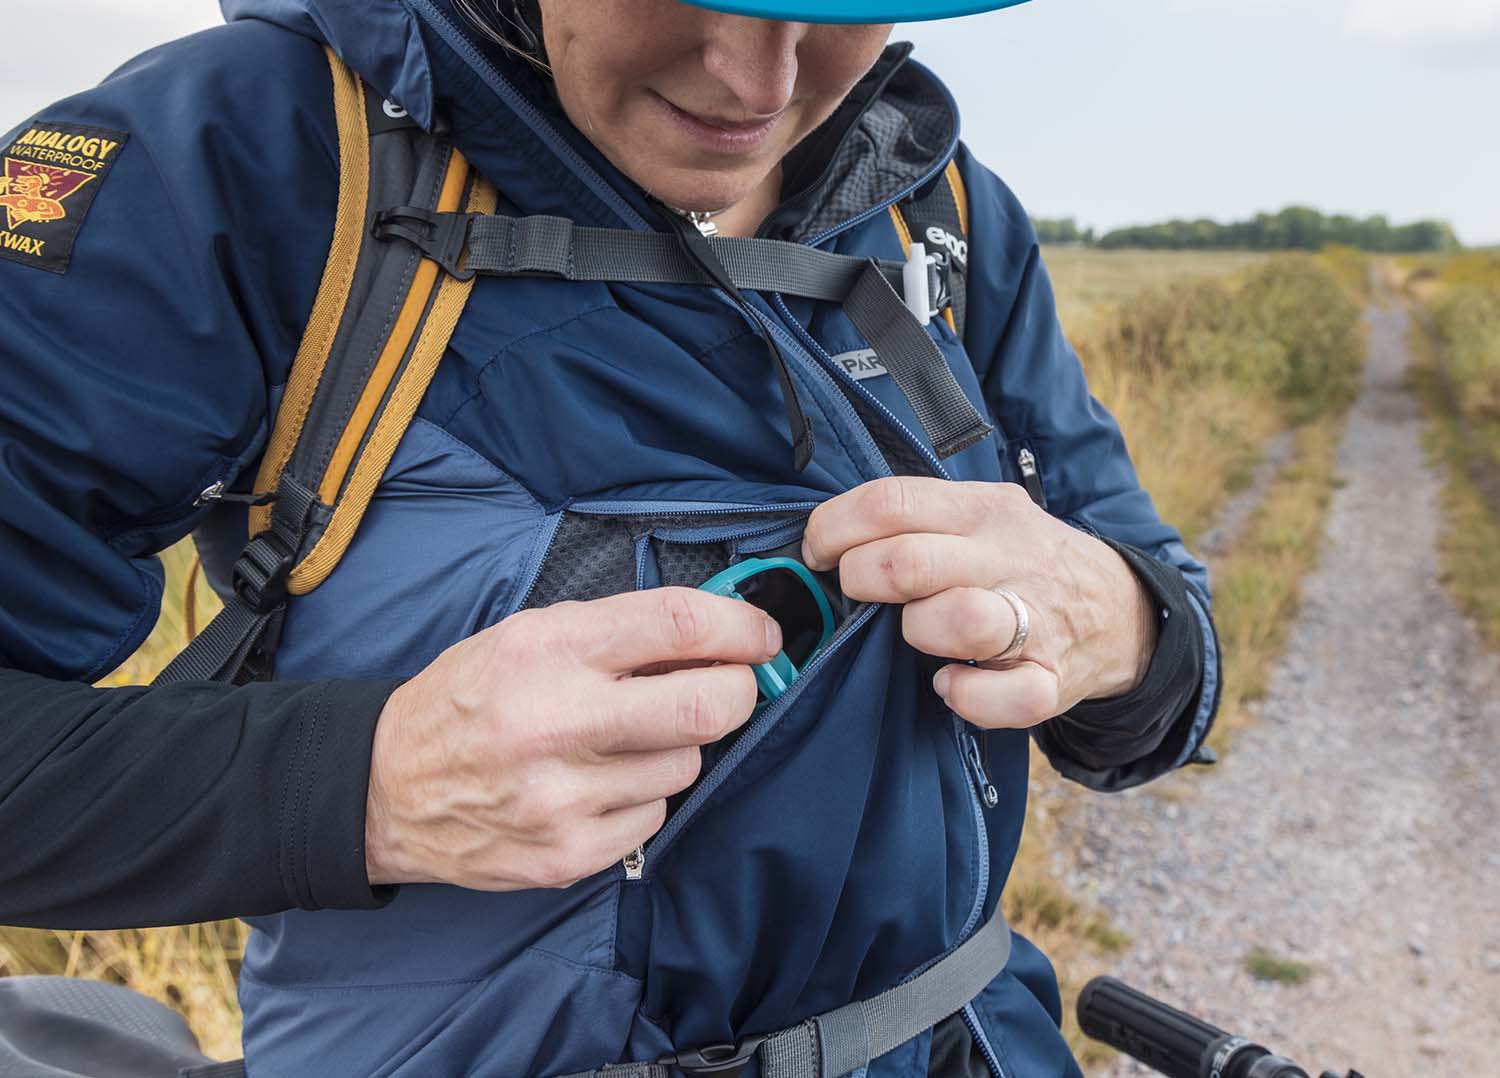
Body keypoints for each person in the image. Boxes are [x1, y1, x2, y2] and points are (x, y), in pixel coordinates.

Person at [0, 0, 1220, 1074]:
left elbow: (1169, 668)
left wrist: (1117, 619)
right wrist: (367, 783)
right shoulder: (230, 159)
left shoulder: (935, 207)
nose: (761, 80)